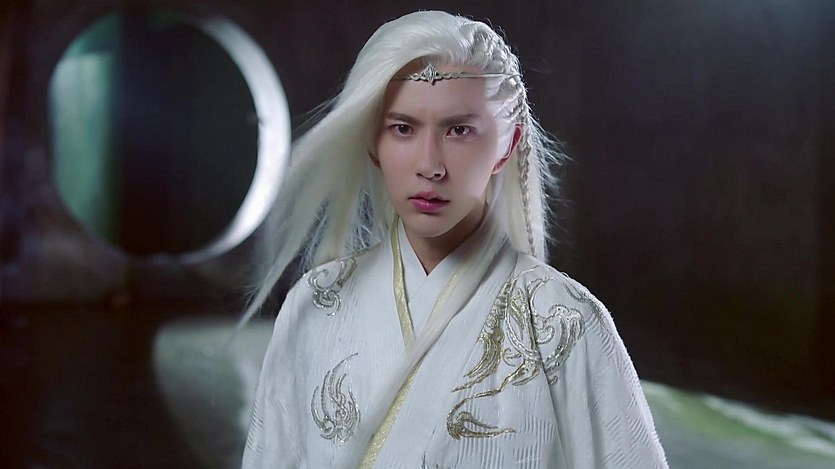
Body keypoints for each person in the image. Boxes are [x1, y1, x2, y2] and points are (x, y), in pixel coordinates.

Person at [241, 10, 668, 469]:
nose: (430, 165)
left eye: (459, 130)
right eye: (403, 128)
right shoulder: (314, 305)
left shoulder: (565, 322)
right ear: (372, 143)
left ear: (507, 146)